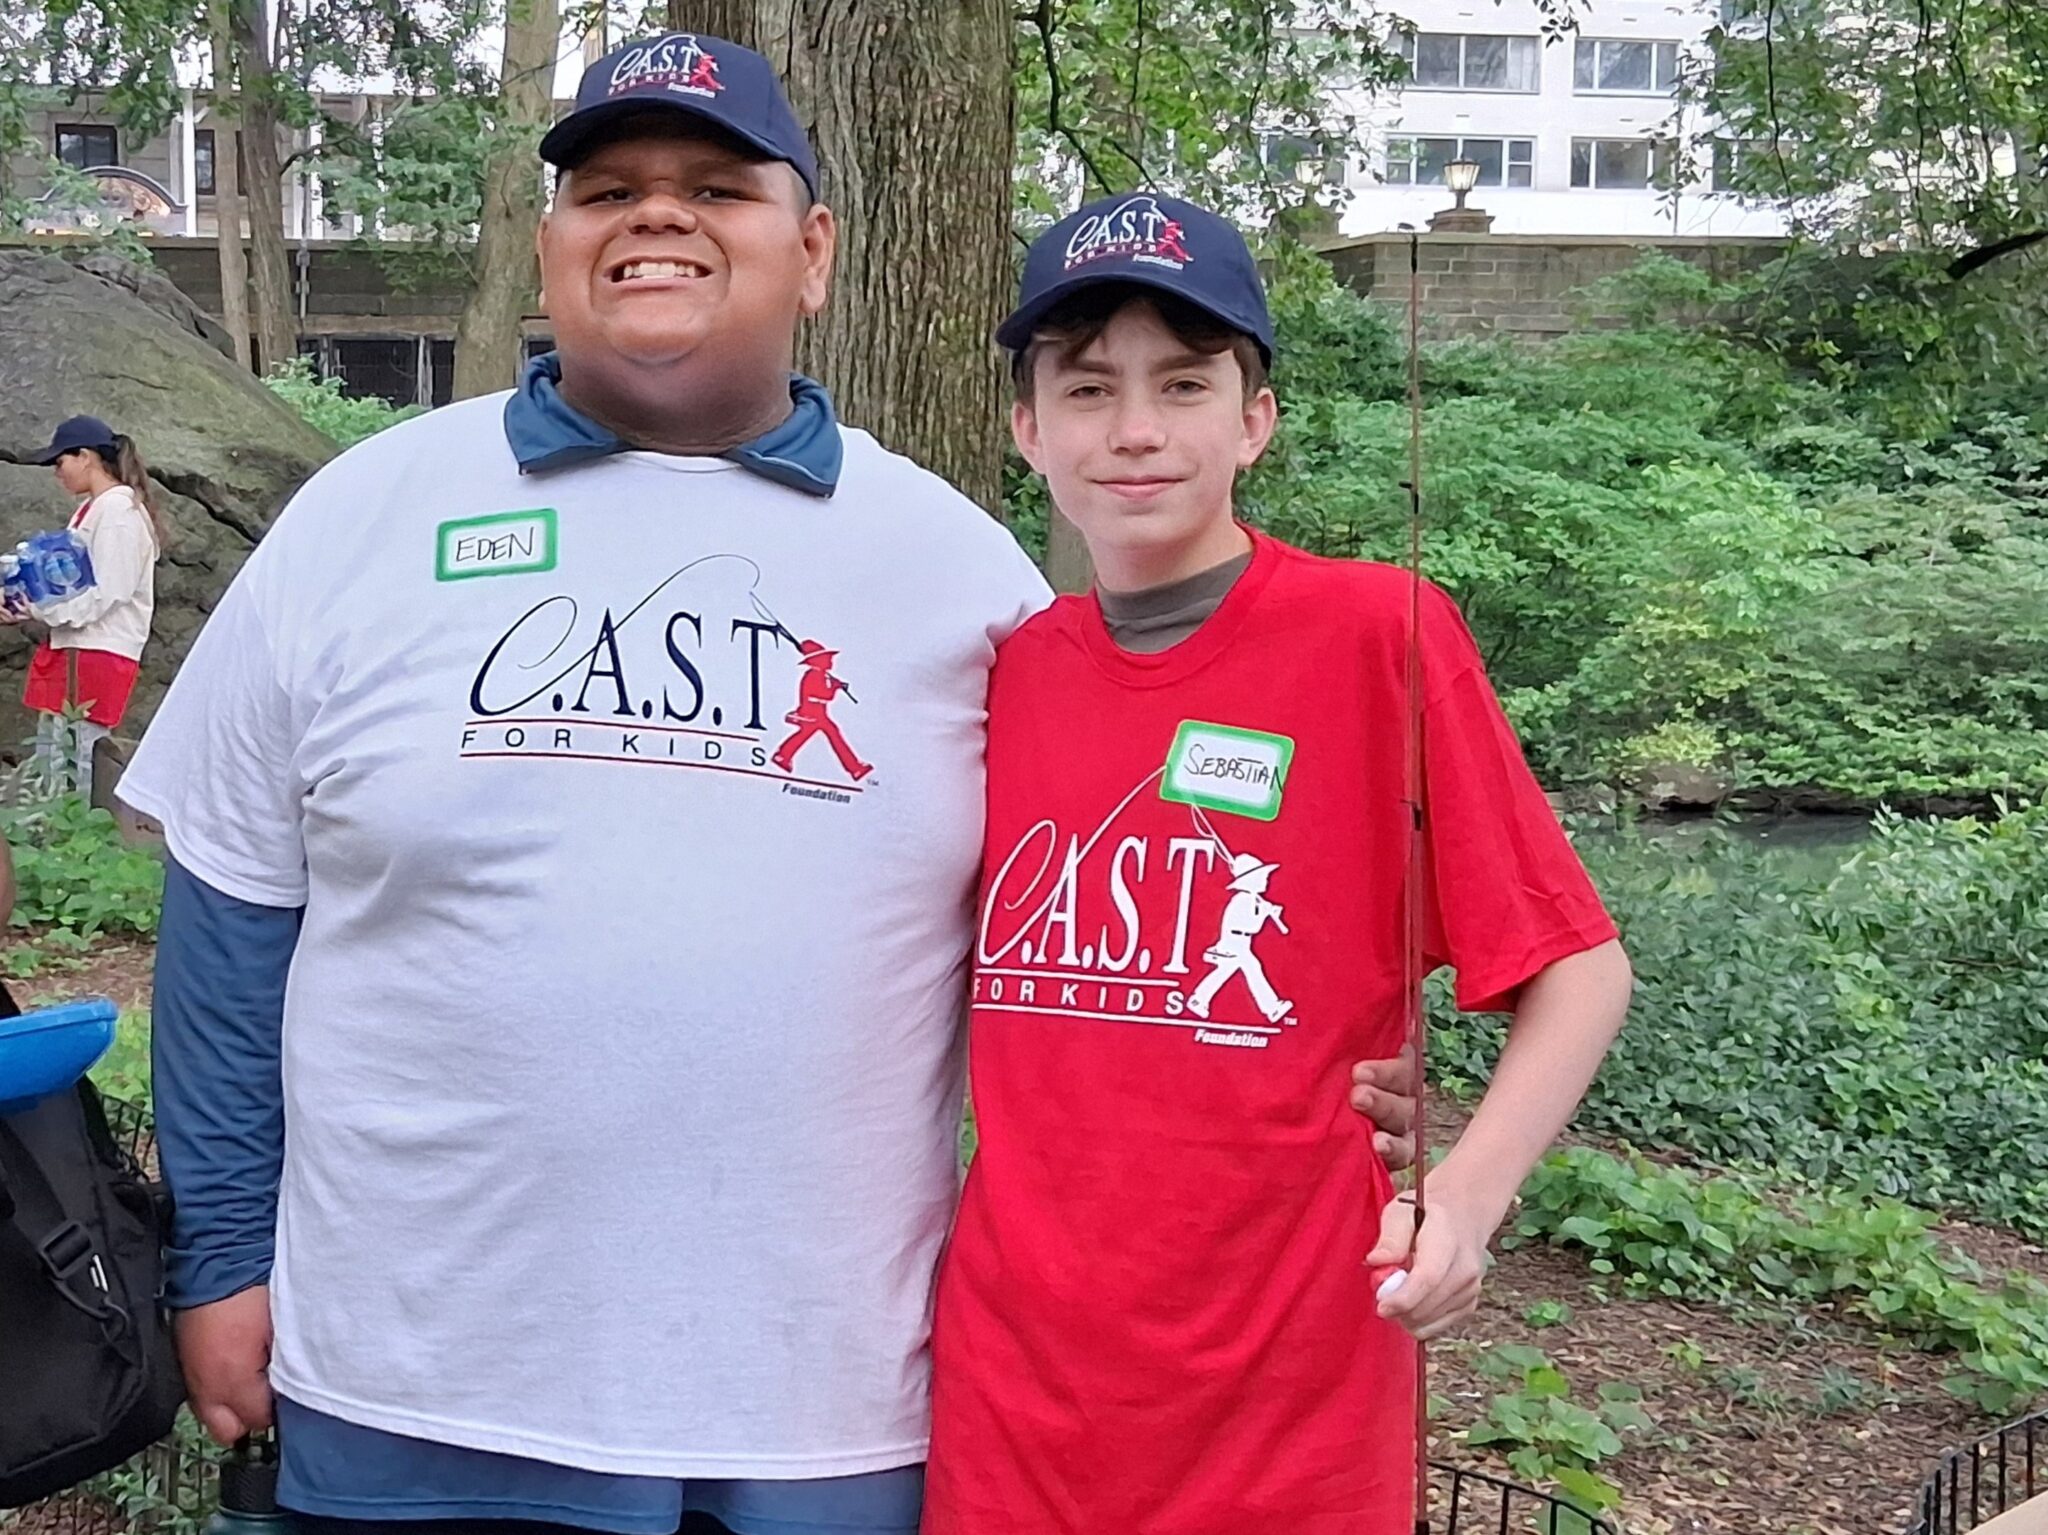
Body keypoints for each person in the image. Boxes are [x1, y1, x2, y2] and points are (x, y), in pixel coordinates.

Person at [115, 33, 1422, 1535]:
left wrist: (1350, 1064)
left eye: (717, 186)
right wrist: (217, 1255)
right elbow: (228, 916)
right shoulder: (368, 510)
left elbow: (1128, 917)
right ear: (548, 250)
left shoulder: (957, 572)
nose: (656, 214)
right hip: (412, 1381)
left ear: (811, 252)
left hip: (830, 1413)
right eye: (608, 188)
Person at [921, 194, 1636, 1534]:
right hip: (1007, 1401)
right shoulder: (997, 671)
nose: (1134, 429)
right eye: (1087, 389)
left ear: (1254, 417)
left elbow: (1577, 966)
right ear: (1028, 429)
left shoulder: (1379, 631)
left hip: (1289, 1403)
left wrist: (1461, 1196)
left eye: (1183, 384)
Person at [6, 416, 162, 798]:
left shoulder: (118, 510)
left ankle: (74, 835)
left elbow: (111, 589)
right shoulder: (95, 509)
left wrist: (40, 611)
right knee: (56, 751)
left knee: (77, 757)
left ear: (86, 457)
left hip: (97, 650)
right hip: (77, 645)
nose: (58, 473)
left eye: (61, 462)